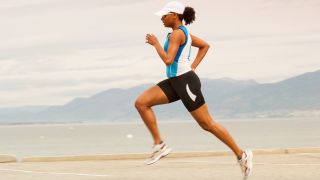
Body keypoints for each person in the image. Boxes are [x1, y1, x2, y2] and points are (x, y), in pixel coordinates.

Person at [134, 1, 253, 178]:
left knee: (207, 124)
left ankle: (241, 154)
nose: (161, 18)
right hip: (175, 81)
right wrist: (192, 67)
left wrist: (156, 44)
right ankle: (159, 145)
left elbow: (168, 60)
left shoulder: (177, 34)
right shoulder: (179, 34)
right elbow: (205, 45)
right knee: (141, 103)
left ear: (174, 15)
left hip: (186, 82)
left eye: (164, 15)